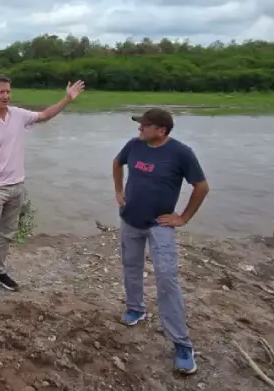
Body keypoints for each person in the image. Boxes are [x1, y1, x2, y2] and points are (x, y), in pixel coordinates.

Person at [0, 74, 85, 308]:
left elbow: (45, 115)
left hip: (16, 187)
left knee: (6, 235)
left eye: (9, 92)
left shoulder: (18, 115)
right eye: (1, 92)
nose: (6, 96)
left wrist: (67, 99)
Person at [112, 108, 210, 375]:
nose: (139, 129)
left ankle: (182, 343)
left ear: (161, 130)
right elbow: (117, 163)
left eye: (144, 125)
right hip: (130, 219)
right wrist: (119, 192)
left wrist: (184, 217)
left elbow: (201, 187)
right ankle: (135, 309)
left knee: (166, 278)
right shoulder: (134, 146)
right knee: (130, 267)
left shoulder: (181, 153)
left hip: (160, 225)